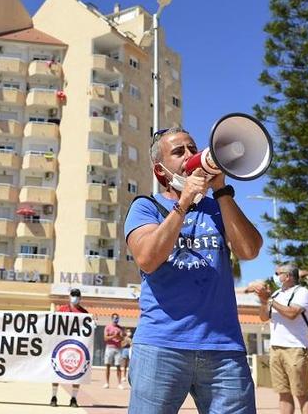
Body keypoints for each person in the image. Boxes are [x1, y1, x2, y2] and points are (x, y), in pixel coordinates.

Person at [124, 127, 263, 414]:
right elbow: (148, 258)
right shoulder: (145, 207)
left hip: (223, 349)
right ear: (160, 171)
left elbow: (249, 250)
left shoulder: (216, 208)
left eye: (192, 148)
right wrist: (184, 203)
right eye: (178, 152)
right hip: (161, 346)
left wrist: (222, 191)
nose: (190, 156)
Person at [254, 263, 308, 414]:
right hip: (276, 349)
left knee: (301, 394)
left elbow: (292, 313)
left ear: (287, 276)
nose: (275, 276)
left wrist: (270, 300)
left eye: (278, 273)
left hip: (295, 349)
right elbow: (263, 317)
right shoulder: (276, 294)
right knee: (283, 394)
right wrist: (264, 302)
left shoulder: (302, 292)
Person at [50, 288, 89, 408]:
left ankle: (73, 398)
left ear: (80, 298)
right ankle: (53, 396)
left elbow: (87, 329)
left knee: (78, 372)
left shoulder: (84, 313)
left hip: (76, 346)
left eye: (77, 295)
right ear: (69, 296)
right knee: (56, 371)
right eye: (73, 295)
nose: (75, 297)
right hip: (61, 344)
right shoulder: (62, 310)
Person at [103, 313, 124, 389]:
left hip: (118, 349)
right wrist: (113, 336)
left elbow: (122, 339)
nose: (116, 320)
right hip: (109, 348)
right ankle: (107, 383)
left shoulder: (120, 328)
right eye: (115, 318)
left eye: (117, 318)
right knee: (108, 365)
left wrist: (119, 336)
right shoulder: (107, 327)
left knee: (118, 366)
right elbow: (105, 338)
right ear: (112, 319)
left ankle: (119, 384)